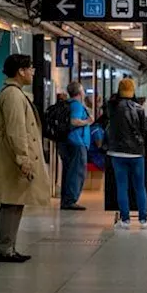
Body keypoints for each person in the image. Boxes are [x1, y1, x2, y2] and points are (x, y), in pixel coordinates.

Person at [0, 54, 51, 263]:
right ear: (20, 71)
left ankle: (8, 247)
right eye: (30, 68)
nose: (33, 72)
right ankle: (4, 249)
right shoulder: (13, 95)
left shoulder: (15, 93)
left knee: (15, 202)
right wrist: (23, 159)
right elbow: (17, 130)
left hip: (12, 157)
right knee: (11, 202)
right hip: (12, 160)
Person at [107, 78, 147, 228]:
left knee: (121, 186)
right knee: (140, 186)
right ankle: (143, 219)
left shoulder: (112, 106)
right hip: (136, 153)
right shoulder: (139, 108)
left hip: (117, 153)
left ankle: (125, 220)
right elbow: (145, 129)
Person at [58, 81, 93, 210]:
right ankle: (70, 200)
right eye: (82, 90)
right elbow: (74, 121)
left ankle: (66, 199)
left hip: (66, 142)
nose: (84, 92)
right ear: (79, 93)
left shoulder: (68, 104)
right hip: (77, 142)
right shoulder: (77, 105)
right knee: (77, 172)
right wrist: (87, 121)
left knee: (68, 171)